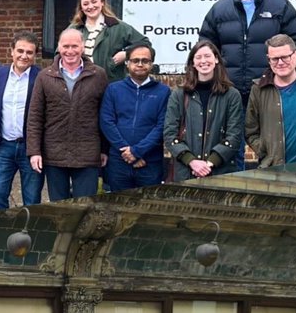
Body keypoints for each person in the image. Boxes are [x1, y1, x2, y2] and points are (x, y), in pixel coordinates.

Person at [199, 0, 296, 117]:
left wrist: (282, 72)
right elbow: (205, 46)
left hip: (269, 88)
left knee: (267, 138)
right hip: (229, 89)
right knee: (234, 138)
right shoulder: (219, 10)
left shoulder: (279, 6)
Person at [26, 28, 108, 200]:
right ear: (59, 47)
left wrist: (105, 150)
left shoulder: (98, 75)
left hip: (87, 153)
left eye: (74, 46)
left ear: (83, 47)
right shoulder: (45, 76)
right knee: (60, 209)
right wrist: (34, 151)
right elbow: (35, 117)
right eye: (65, 46)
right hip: (54, 154)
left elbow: (105, 115)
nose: (70, 51)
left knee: (85, 208)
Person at [164, 39, 244, 180]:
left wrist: (209, 163)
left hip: (220, 172)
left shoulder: (232, 95)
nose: (203, 61)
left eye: (207, 56)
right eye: (198, 57)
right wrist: (192, 162)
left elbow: (234, 135)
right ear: (193, 63)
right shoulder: (179, 94)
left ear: (216, 59)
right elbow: (170, 134)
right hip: (186, 172)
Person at [98, 40, 169, 190]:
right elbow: (107, 122)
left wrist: (137, 151)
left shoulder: (163, 92)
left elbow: (162, 126)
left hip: (150, 163)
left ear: (152, 64)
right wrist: (127, 151)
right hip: (119, 162)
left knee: (148, 209)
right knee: (118, 209)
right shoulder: (113, 90)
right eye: (135, 60)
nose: (140, 64)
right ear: (127, 63)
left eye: (145, 60)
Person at [0, 32, 42, 209]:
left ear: (35, 55)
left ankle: (30, 234)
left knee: (32, 199)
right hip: (3, 146)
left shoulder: (42, 77)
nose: (24, 56)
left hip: (30, 148)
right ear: (12, 51)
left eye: (29, 52)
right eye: (20, 50)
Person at [245, 34, 296, 167]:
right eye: (274, 59)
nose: (280, 63)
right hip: (277, 171)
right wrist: (266, 152)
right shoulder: (259, 90)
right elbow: (250, 130)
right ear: (269, 60)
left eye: (285, 57)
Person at [70, 0, 146, 82]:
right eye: (85, 4)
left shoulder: (117, 26)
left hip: (110, 84)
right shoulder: (74, 28)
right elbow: (59, 53)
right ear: (81, 7)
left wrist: (127, 54)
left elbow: (144, 43)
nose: (90, 6)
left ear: (102, 2)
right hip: (80, 84)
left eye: (94, 2)